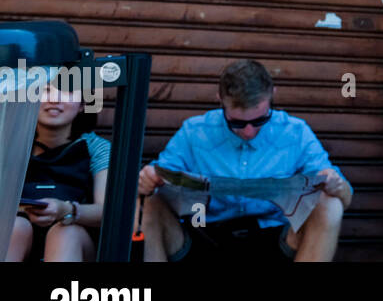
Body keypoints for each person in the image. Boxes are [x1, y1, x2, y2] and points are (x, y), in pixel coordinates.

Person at [137, 59, 352, 262]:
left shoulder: (295, 131)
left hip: (273, 238)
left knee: (329, 204)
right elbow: (160, 177)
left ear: (272, 96)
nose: (249, 131)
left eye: (260, 120)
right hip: (205, 234)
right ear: (219, 100)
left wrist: (336, 185)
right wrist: (149, 180)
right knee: (148, 204)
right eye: (237, 123)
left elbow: (345, 196)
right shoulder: (195, 131)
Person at [7, 87, 110, 262]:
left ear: (83, 104)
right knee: (15, 227)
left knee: (65, 232)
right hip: (19, 239)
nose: (54, 99)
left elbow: (107, 211)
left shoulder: (97, 147)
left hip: (77, 242)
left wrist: (67, 211)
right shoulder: (11, 144)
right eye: (45, 90)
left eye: (68, 91)